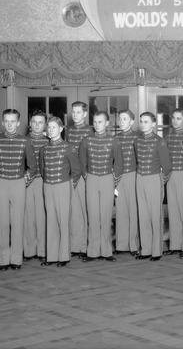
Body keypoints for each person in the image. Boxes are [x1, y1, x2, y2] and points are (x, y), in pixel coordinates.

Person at [0, 109, 38, 270]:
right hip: (0, 183)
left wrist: (23, 181)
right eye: (7, 121)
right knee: (2, 222)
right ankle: (3, 259)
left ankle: (16, 259)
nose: (10, 124)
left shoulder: (25, 141)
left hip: (18, 183)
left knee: (18, 222)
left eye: (13, 121)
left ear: (18, 123)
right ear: (3, 122)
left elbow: (32, 167)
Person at [79, 111, 123, 262]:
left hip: (107, 179)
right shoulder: (86, 140)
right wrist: (87, 176)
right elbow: (82, 162)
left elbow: (119, 163)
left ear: (107, 123)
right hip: (91, 178)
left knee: (105, 216)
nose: (97, 125)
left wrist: (113, 180)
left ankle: (106, 251)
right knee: (93, 215)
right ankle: (92, 251)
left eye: (100, 122)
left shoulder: (113, 140)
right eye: (95, 122)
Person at [40, 116, 81, 267]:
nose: (51, 130)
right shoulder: (44, 149)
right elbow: (42, 169)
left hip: (63, 186)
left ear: (61, 129)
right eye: (48, 127)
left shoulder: (68, 147)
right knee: (50, 220)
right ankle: (51, 256)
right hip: (48, 186)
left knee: (63, 221)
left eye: (54, 127)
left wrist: (68, 185)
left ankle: (64, 256)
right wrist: (48, 183)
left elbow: (76, 170)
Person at [135, 112, 172, 261]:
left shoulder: (160, 141)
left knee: (155, 215)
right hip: (140, 178)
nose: (143, 124)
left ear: (153, 124)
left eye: (146, 122)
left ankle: (157, 251)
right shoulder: (137, 141)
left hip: (154, 179)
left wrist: (159, 182)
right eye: (141, 121)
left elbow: (167, 166)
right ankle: (146, 249)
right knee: (143, 215)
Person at [66, 101, 92, 259]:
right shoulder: (68, 130)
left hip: (84, 174)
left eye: (78, 112)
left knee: (85, 211)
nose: (75, 115)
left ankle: (86, 246)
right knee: (74, 211)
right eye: (73, 112)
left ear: (85, 114)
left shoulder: (90, 130)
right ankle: (76, 246)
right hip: (70, 173)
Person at [23, 110, 49, 261]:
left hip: (42, 181)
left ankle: (42, 250)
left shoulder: (49, 141)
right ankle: (28, 250)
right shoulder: (23, 140)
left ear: (45, 124)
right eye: (34, 122)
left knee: (42, 216)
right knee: (28, 216)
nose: (37, 125)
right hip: (27, 182)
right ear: (29, 124)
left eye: (40, 122)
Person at [163, 108, 183, 257]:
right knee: (173, 211)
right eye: (173, 118)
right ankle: (175, 244)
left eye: (179, 118)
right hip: (171, 176)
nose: (175, 121)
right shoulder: (168, 136)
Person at [114, 110, 140, 255]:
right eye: (120, 119)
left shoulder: (137, 137)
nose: (122, 121)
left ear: (131, 122)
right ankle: (121, 245)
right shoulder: (115, 138)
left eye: (125, 119)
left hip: (133, 175)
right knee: (121, 210)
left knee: (133, 210)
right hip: (119, 177)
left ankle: (134, 245)